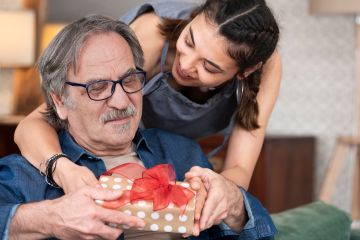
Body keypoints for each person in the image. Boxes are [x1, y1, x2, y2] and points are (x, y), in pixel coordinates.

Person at [0, 15, 276, 240]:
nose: (121, 101)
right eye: (98, 87)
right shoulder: (26, 174)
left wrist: (235, 206)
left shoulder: (182, 154)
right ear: (60, 101)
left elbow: (261, 232)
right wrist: (49, 218)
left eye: (130, 80)